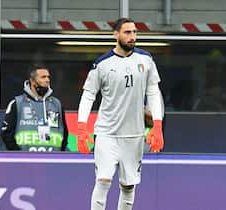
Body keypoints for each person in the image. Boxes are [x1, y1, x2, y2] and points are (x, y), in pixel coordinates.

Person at [76, 18, 164, 210]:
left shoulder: (146, 60)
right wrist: (81, 127)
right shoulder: (102, 64)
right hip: (107, 133)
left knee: (128, 185)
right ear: (116, 35)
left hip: (134, 134)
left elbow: (153, 92)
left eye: (134, 32)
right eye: (127, 32)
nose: (132, 37)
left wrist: (157, 125)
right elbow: (88, 95)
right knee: (103, 180)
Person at [0, 64, 68, 152]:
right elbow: (7, 133)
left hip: (52, 160)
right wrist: (18, 155)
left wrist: (59, 155)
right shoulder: (17, 103)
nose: (47, 80)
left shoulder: (56, 104)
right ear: (32, 81)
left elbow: (65, 133)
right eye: (43, 77)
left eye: (48, 77)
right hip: (24, 162)